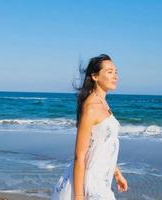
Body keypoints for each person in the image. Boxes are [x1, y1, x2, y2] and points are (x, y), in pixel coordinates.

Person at [51, 54, 128, 200]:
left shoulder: (103, 103)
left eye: (116, 72)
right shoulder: (91, 107)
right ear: (95, 76)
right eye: (109, 72)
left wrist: (117, 173)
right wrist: (79, 197)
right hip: (89, 182)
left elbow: (103, 145)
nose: (115, 76)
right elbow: (79, 156)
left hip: (101, 180)